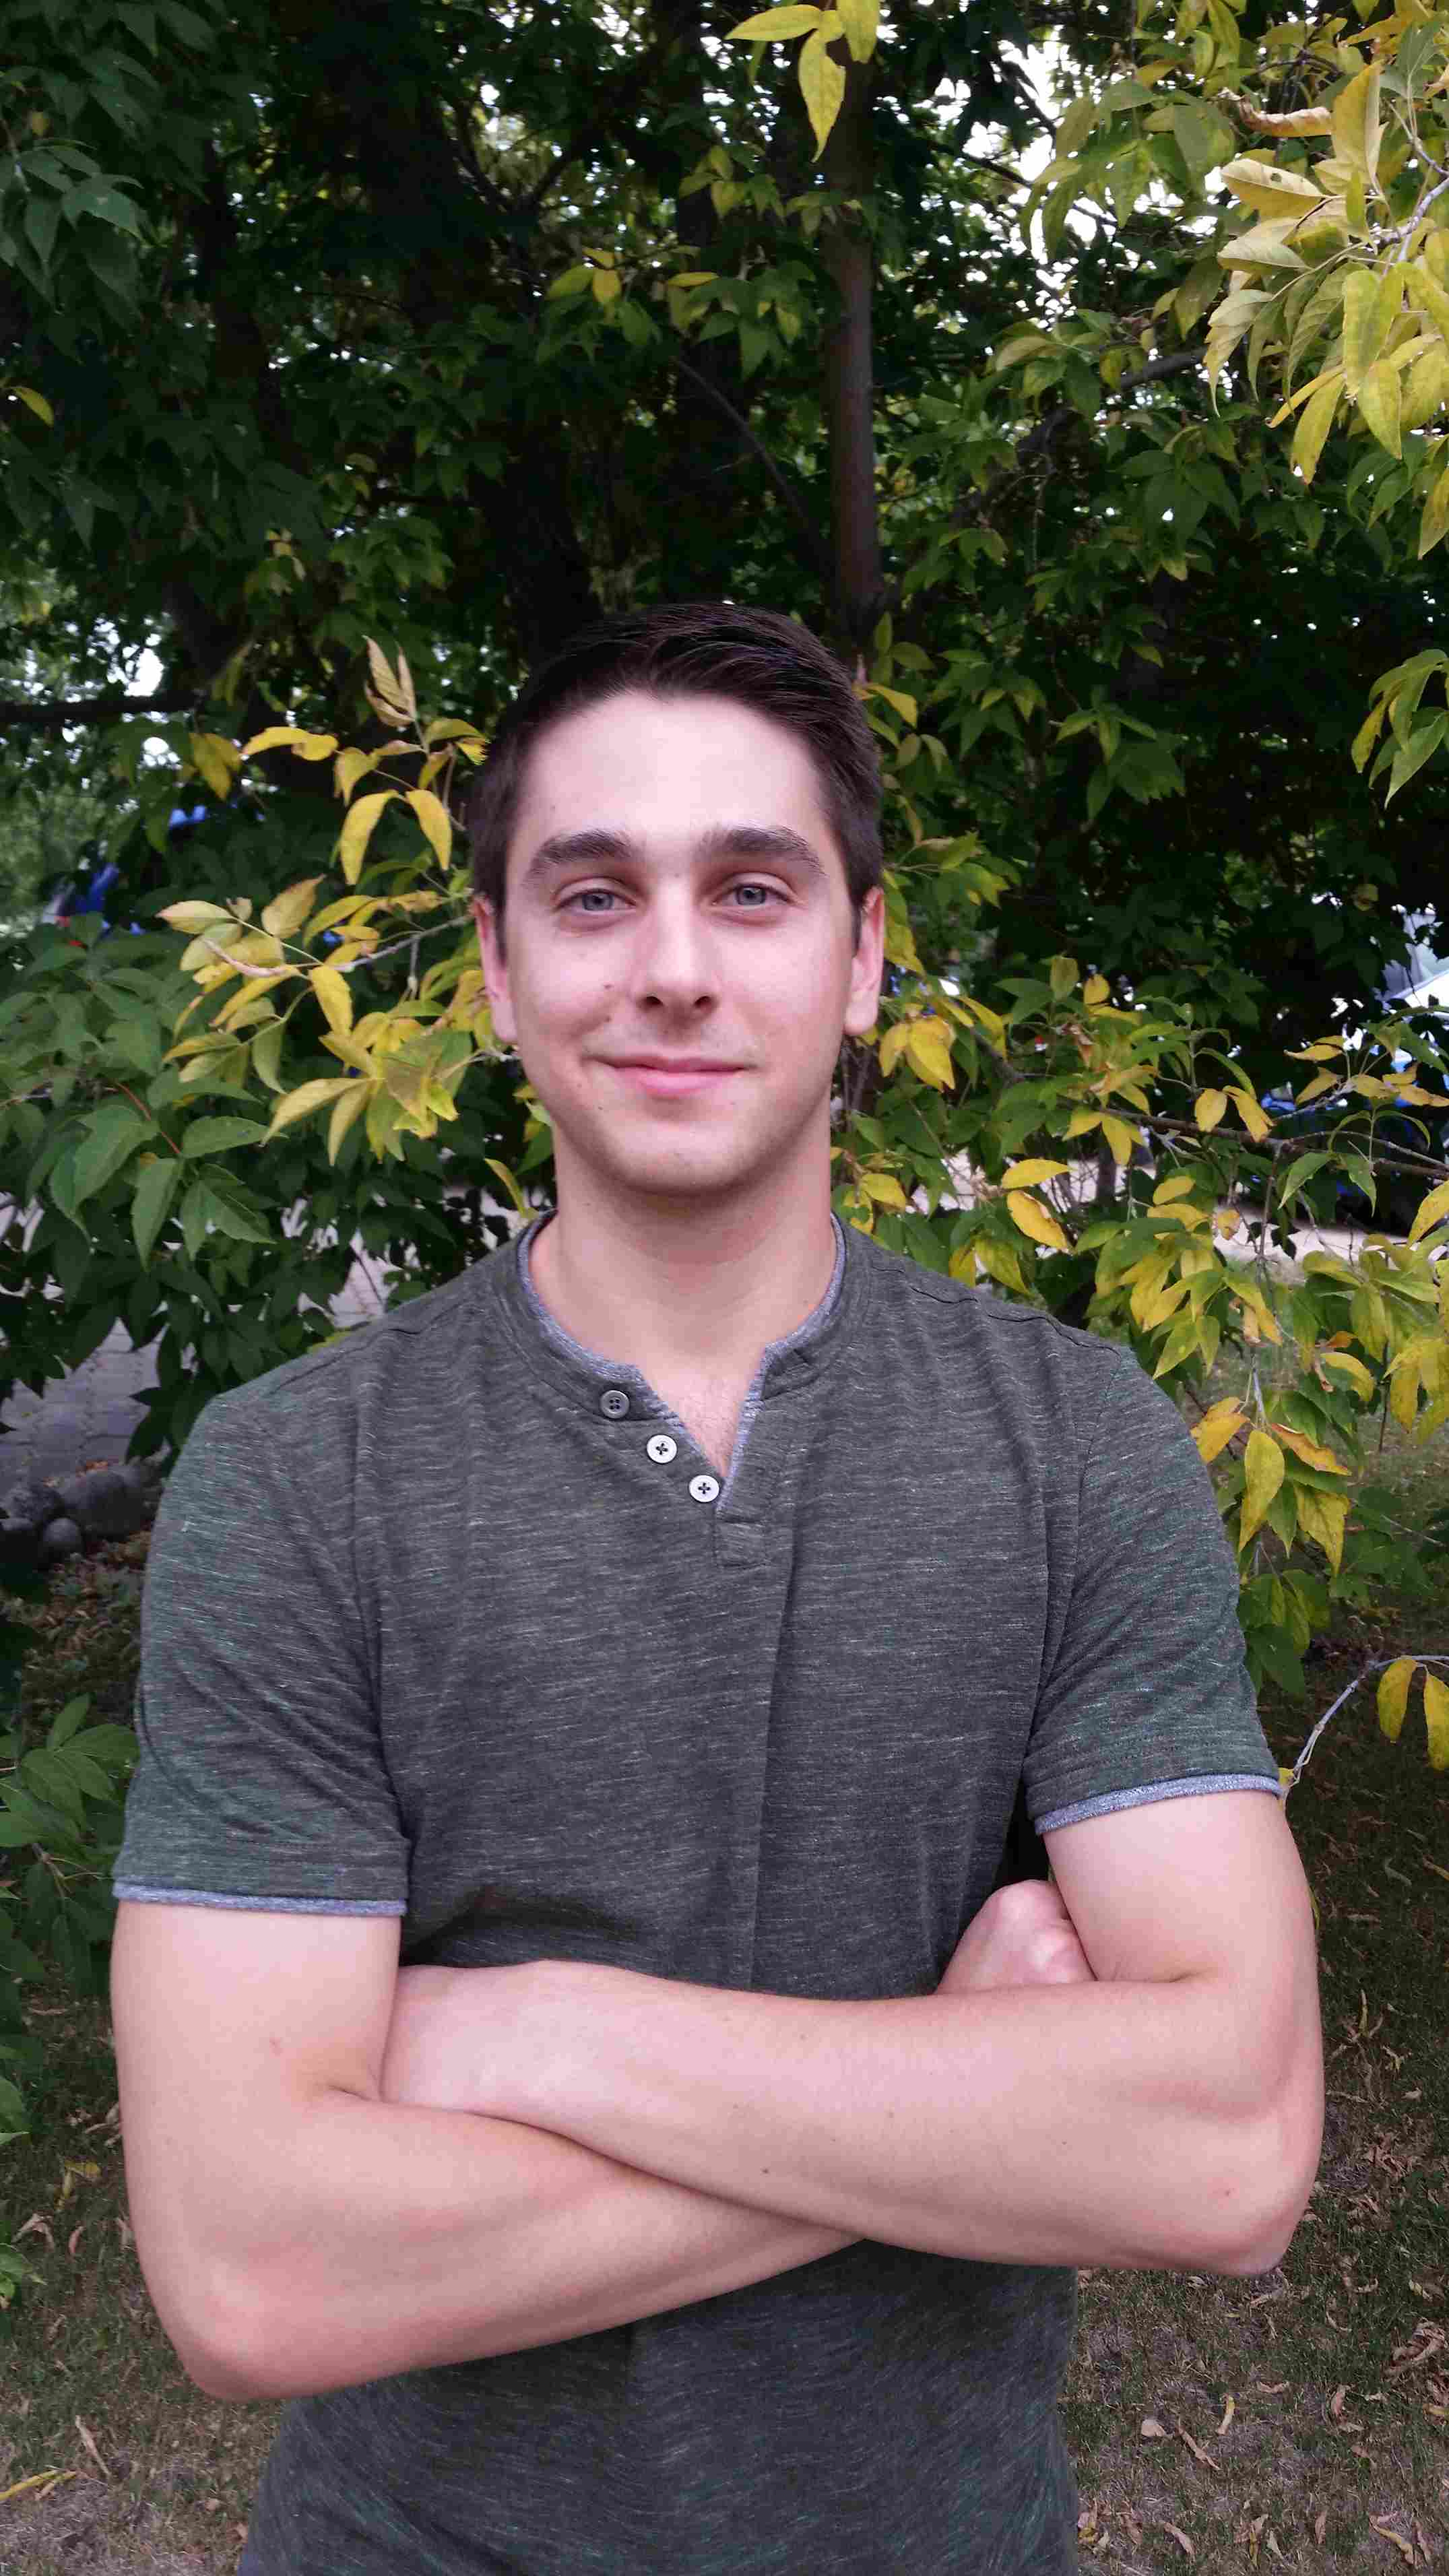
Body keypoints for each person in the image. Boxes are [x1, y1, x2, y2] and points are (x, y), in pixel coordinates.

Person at [110, 602, 1324, 2575]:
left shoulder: (1076, 1447)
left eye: (752, 890)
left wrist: (544, 2031)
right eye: (595, 897)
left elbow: (1233, 2153)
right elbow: (255, 2273)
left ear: (859, 963)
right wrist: (961, 2086)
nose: (673, 968)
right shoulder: (300, 1482)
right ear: (497, 969)